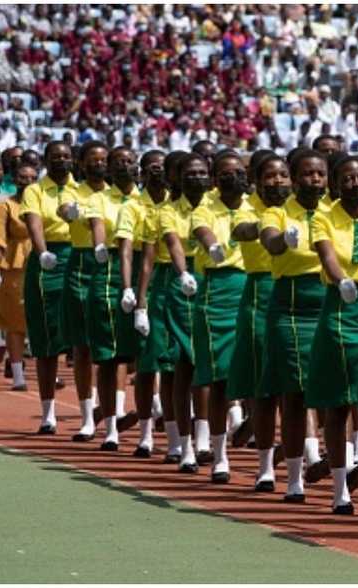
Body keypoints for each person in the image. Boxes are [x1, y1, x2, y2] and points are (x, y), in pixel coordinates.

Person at [306, 153, 358, 513]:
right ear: (336, 185)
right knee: (337, 402)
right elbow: (327, 256)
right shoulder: (323, 217)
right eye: (348, 179)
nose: (355, 184)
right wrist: (342, 280)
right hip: (341, 305)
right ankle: (340, 489)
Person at [258, 150, 329, 502]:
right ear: (294, 178)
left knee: (336, 391)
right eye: (307, 173)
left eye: (320, 173)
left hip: (331, 302)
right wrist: (282, 240)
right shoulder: (278, 212)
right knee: (295, 393)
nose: (314, 179)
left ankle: (342, 467)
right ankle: (294, 477)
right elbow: (269, 241)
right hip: (292, 305)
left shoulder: (333, 211)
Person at [229, 154, 292, 491]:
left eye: (283, 175)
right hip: (260, 292)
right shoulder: (246, 207)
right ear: (255, 180)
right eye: (270, 175)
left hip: (298, 294)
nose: (277, 181)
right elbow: (240, 230)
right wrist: (263, 228)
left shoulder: (300, 208)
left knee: (297, 386)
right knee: (262, 384)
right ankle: (265, 465)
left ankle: (309, 456)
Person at [189, 150, 251, 483]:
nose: (234, 178)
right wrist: (213, 246)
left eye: (239, 171)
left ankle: (255, 435)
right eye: (226, 173)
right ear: (215, 179)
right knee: (218, 379)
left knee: (258, 372)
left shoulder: (255, 206)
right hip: (217, 291)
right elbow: (202, 231)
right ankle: (219, 454)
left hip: (252, 288)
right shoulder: (204, 207)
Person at [84, 145, 143, 451]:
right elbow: (97, 225)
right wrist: (99, 246)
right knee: (109, 355)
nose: (124, 166)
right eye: (117, 162)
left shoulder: (145, 200)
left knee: (144, 354)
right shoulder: (99, 198)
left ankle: (150, 428)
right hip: (108, 273)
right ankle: (110, 427)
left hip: (143, 272)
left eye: (129, 161)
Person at [160, 152, 212, 473]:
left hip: (214, 280)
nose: (196, 178)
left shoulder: (215, 205)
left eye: (202, 172)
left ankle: (204, 439)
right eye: (190, 173)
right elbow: (173, 243)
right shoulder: (168, 210)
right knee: (185, 361)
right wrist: (183, 273)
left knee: (207, 362)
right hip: (183, 284)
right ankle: (185, 444)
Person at [58, 141, 110, 442]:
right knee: (83, 347)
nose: (99, 164)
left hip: (112, 265)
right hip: (81, 265)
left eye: (103, 159)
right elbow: (65, 210)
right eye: (93, 159)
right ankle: (88, 416)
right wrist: (72, 212)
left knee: (114, 346)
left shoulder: (117, 194)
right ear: (81, 163)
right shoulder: (72, 191)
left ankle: (114, 409)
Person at [20, 141, 74, 433]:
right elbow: (34, 223)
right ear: (45, 160)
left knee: (85, 340)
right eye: (56, 156)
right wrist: (42, 253)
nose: (61, 160)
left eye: (66, 156)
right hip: (48, 261)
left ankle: (92, 411)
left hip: (79, 258)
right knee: (46, 338)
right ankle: (48, 413)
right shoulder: (35, 190)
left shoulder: (82, 189)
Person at [120, 150, 170, 458]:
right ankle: (145, 433)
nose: (158, 172)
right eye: (152, 167)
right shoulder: (133, 205)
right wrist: (132, 292)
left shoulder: (176, 203)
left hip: (173, 276)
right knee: (147, 361)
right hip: (145, 275)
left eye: (163, 167)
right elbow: (127, 248)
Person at [0, 161, 36, 391]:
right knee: (15, 322)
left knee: (42, 321)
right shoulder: (5, 206)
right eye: (23, 177)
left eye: (32, 178)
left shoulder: (42, 205)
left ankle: (48, 371)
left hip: (40, 265)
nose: (28, 182)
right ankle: (17, 375)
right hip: (13, 269)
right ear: (14, 180)